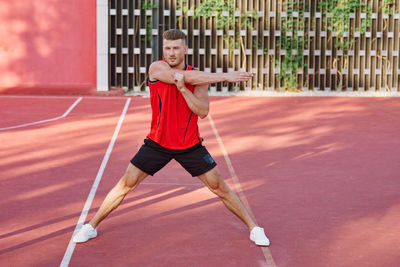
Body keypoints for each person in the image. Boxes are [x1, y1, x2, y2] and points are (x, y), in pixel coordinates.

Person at [73, 29, 270, 246]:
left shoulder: (200, 78)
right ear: (163, 49)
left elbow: (202, 111)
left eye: (176, 48)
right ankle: (91, 226)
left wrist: (185, 91)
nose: (172, 52)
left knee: (219, 187)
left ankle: (254, 228)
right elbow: (184, 77)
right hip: (157, 143)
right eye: (167, 48)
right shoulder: (157, 68)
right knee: (126, 184)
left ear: (185, 49)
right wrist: (225, 76)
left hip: (190, 145)